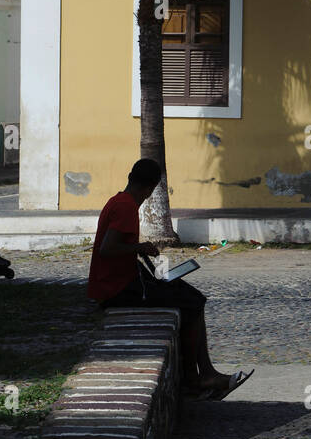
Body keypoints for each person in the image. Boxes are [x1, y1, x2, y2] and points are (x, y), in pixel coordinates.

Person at [86, 158, 249, 400]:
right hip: (117, 289)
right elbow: (107, 249)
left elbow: (114, 245)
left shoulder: (118, 200)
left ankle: (200, 375)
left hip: (119, 283)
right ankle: (199, 377)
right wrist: (138, 246)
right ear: (151, 188)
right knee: (194, 302)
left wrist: (137, 249)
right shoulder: (126, 207)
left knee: (188, 296)